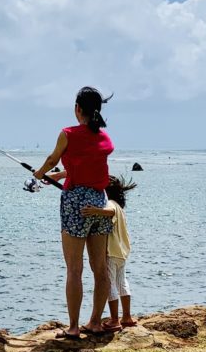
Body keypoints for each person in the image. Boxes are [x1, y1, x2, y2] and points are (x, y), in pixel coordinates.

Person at [34, 87, 114, 339]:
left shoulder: (68, 133)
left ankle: (73, 327)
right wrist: (61, 174)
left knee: (74, 269)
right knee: (100, 268)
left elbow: (51, 158)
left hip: (75, 204)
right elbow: (87, 165)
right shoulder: (104, 138)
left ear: (77, 108)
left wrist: (39, 174)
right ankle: (95, 323)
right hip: (100, 203)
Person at [82, 175, 136, 332]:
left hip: (111, 251)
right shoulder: (120, 207)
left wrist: (94, 210)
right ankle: (127, 317)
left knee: (110, 283)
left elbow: (109, 211)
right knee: (122, 282)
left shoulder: (111, 204)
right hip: (122, 252)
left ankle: (114, 320)